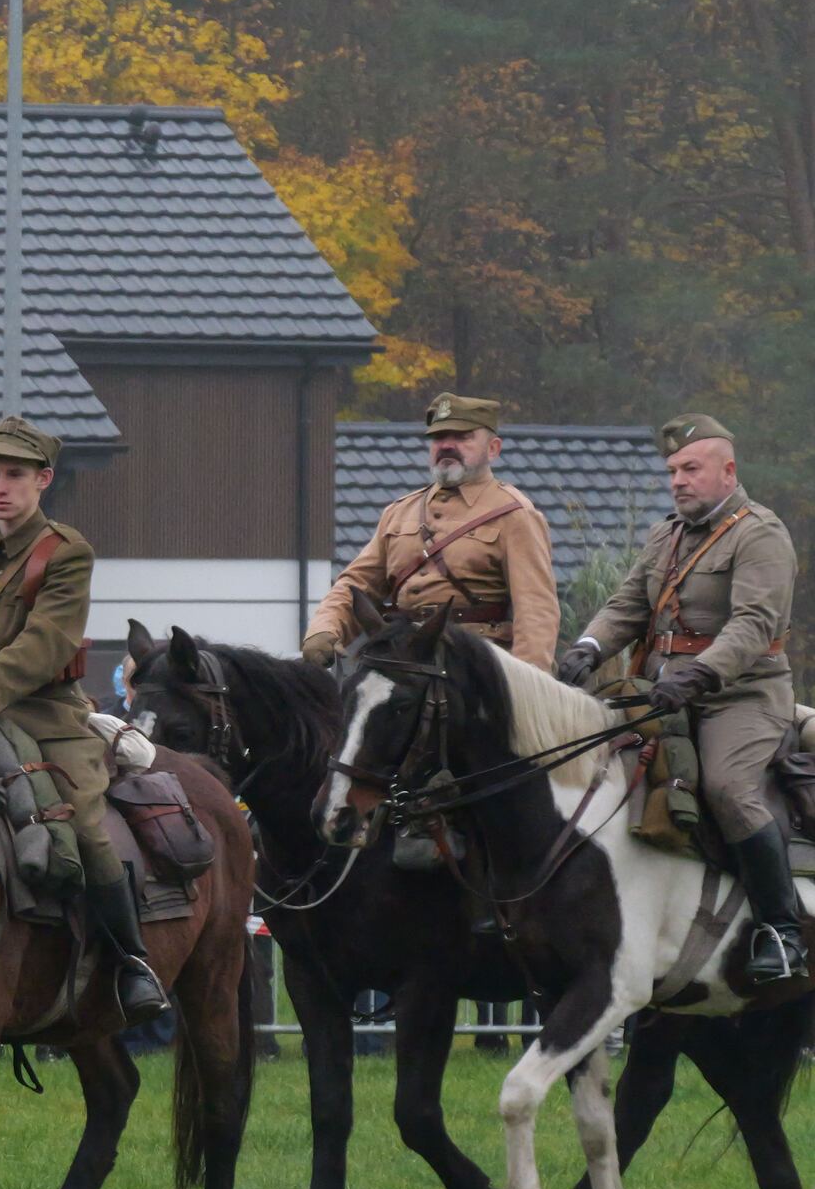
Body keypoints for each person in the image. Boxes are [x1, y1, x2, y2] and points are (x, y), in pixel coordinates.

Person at [0, 415, 170, 1025]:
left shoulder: (66, 552)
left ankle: (132, 961)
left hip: (46, 712)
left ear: (43, 480)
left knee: (86, 824)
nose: (0, 486)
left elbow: (44, 644)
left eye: (14, 475)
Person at [559, 413, 804, 983]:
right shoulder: (665, 535)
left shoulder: (760, 534)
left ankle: (783, 932)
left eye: (690, 469)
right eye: (672, 471)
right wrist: (588, 648)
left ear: (728, 471)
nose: (677, 481)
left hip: (740, 696)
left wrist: (698, 675)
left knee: (727, 787)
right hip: (660, 692)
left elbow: (753, 625)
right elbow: (626, 606)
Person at [305, 393, 560, 670]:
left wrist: (527, 682)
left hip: (475, 665)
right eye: (439, 438)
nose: (447, 445)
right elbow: (356, 583)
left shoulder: (515, 515)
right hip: (402, 660)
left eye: (462, 437)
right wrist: (325, 627)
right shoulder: (399, 512)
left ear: (493, 449)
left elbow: (535, 610)